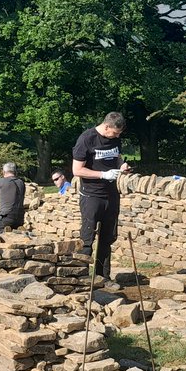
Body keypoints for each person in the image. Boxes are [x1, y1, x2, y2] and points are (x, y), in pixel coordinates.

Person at [72, 112, 131, 283]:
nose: (117, 136)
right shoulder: (86, 139)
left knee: (107, 237)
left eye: (119, 134)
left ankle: (102, 278)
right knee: (87, 237)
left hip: (111, 194)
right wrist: (103, 174)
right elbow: (77, 170)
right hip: (91, 194)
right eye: (115, 133)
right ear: (106, 127)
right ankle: (81, 277)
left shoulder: (115, 139)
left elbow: (116, 157)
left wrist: (122, 165)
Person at [0, 162, 26, 233]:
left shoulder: (1, 181)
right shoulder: (21, 183)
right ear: (15, 171)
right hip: (20, 218)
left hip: (6, 217)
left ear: (3, 171)